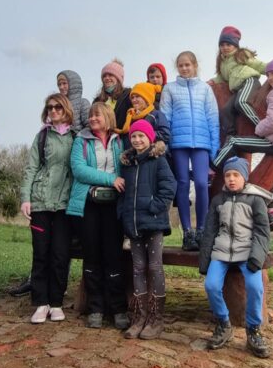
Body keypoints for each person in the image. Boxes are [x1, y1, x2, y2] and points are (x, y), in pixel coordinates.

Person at [199, 157, 272, 356]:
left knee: (255, 287)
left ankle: (253, 330)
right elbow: (210, 231)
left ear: (244, 177)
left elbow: (262, 232)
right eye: (227, 175)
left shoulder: (255, 200)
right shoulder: (218, 200)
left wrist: (256, 258)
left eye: (236, 175)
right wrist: (205, 261)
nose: (231, 179)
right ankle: (224, 323)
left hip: (246, 251)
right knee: (211, 285)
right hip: (221, 251)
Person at [67, 102, 129, 329]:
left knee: (113, 255)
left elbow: (124, 168)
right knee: (92, 255)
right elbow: (79, 170)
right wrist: (110, 179)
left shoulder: (119, 141)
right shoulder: (81, 141)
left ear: (108, 117)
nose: (92, 119)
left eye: (97, 115)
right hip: (88, 204)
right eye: (90, 116)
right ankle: (95, 307)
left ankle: (118, 308)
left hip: (113, 205)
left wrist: (119, 180)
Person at [118, 119, 177, 340]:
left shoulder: (158, 160)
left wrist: (153, 207)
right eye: (133, 136)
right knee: (138, 268)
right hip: (133, 224)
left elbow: (169, 187)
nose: (137, 140)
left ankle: (155, 318)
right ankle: (139, 317)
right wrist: (123, 214)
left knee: (154, 267)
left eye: (141, 136)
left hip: (154, 223)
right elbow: (123, 194)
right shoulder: (128, 164)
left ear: (150, 138)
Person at [20, 93, 75, 324]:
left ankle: (56, 303)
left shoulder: (76, 137)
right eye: (50, 108)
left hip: (64, 205)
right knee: (41, 254)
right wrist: (25, 198)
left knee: (60, 255)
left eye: (58, 107)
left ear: (66, 110)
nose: (53, 111)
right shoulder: (42, 136)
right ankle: (41, 303)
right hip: (41, 203)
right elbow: (31, 168)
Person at [160, 51, 219, 252]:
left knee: (202, 184)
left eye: (187, 65)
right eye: (181, 65)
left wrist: (214, 148)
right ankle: (187, 232)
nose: (184, 68)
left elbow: (212, 119)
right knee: (183, 184)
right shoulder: (170, 89)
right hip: (178, 143)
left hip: (201, 143)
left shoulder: (205, 89)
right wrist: (166, 144)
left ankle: (201, 230)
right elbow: (165, 118)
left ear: (195, 65)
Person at [214, 54, 273, 170]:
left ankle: (211, 169)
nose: (270, 78)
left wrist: (258, 129)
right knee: (239, 142)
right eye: (268, 75)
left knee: (233, 141)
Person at [213, 26, 267, 137]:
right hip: (238, 90)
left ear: (235, 45)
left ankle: (262, 127)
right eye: (222, 45)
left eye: (228, 44)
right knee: (225, 110)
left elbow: (259, 65)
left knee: (241, 102)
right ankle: (231, 136)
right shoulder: (222, 63)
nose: (225, 47)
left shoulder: (240, 55)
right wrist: (211, 82)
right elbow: (221, 78)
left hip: (250, 81)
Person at [119, 82, 170, 147]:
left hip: (152, 151)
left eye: (137, 96)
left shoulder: (156, 114)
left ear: (146, 99)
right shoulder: (130, 116)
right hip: (134, 152)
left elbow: (165, 135)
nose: (134, 100)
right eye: (132, 97)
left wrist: (145, 133)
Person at [94, 59, 132, 131]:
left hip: (123, 135)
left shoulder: (128, 95)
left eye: (110, 75)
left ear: (118, 78)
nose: (107, 78)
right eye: (104, 76)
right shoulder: (97, 101)